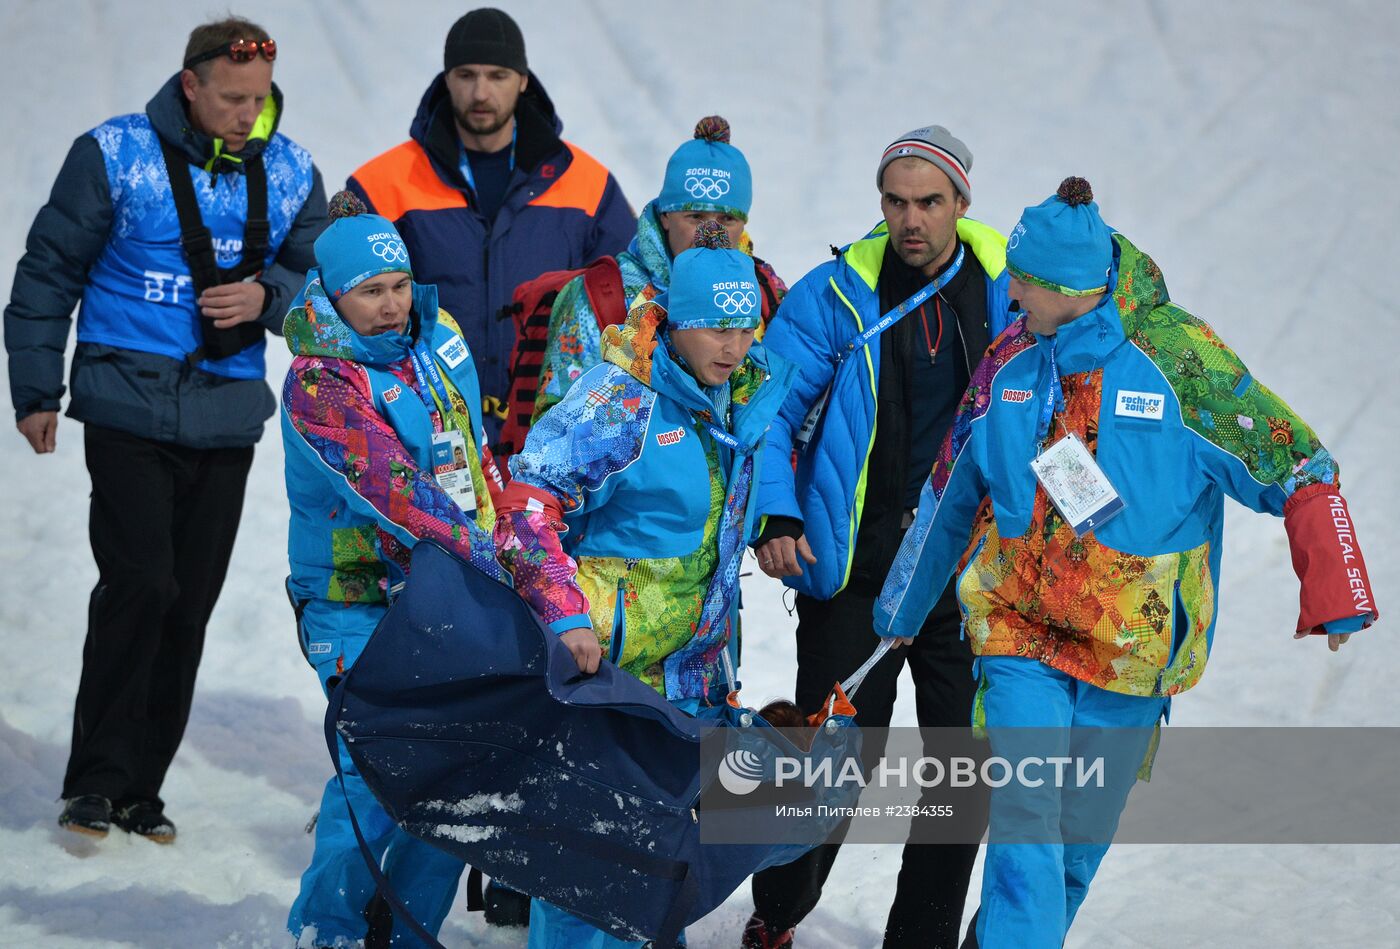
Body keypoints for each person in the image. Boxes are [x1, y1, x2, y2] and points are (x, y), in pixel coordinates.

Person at [873, 177, 1379, 947]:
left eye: (1026, 280)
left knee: (1073, 854)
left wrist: (1336, 586)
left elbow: (1297, 461)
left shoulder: (1178, 359)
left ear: (1074, 289)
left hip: (1131, 653)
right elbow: (951, 488)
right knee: (1025, 828)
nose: (1009, 290)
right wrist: (901, 610)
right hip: (1020, 635)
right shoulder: (1011, 358)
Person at [3, 15, 325, 842]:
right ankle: (95, 780)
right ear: (190, 85)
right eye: (230, 98)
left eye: (259, 101)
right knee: (140, 582)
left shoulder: (290, 171)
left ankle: (142, 789)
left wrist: (267, 300)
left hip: (225, 414)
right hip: (126, 403)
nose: (247, 114)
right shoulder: (112, 154)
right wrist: (36, 387)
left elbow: (322, 278)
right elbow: (48, 269)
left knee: (187, 603)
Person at [743, 126, 1011, 949]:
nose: (910, 220)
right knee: (829, 759)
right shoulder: (833, 294)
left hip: (962, 576)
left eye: (929, 202)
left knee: (958, 776)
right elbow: (769, 409)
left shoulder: (1007, 290)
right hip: (851, 566)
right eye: (894, 202)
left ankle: (921, 938)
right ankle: (776, 908)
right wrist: (777, 514)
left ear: (962, 204)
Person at [494, 221, 796, 948]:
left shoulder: (741, 400)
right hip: (610, 683)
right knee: (587, 873)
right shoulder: (621, 398)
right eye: (713, 328)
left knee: (656, 870)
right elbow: (526, 503)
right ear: (673, 320)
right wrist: (565, 615)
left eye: (744, 325)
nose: (732, 345)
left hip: (690, 683)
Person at [281, 191, 508, 947]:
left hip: (447, 595)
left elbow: (475, 454)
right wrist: (488, 553)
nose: (389, 305)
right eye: (369, 292)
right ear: (334, 295)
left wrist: (505, 530)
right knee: (373, 782)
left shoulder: (436, 337)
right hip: (357, 603)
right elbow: (394, 491)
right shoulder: (319, 381)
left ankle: (410, 929)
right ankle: (331, 928)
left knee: (451, 780)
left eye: (399, 285)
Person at [347, 6, 635, 449]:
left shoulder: (588, 184)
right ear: (446, 78)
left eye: (498, 75)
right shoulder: (381, 184)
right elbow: (342, 313)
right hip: (423, 428)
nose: (481, 92)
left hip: (554, 429)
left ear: (523, 80)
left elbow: (629, 305)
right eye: (466, 74)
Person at [531, 115, 787, 422]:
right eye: (695, 217)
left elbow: (785, 413)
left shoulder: (763, 289)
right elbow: (554, 426)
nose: (711, 232)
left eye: (727, 220)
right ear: (665, 215)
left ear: (743, 222)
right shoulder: (601, 294)